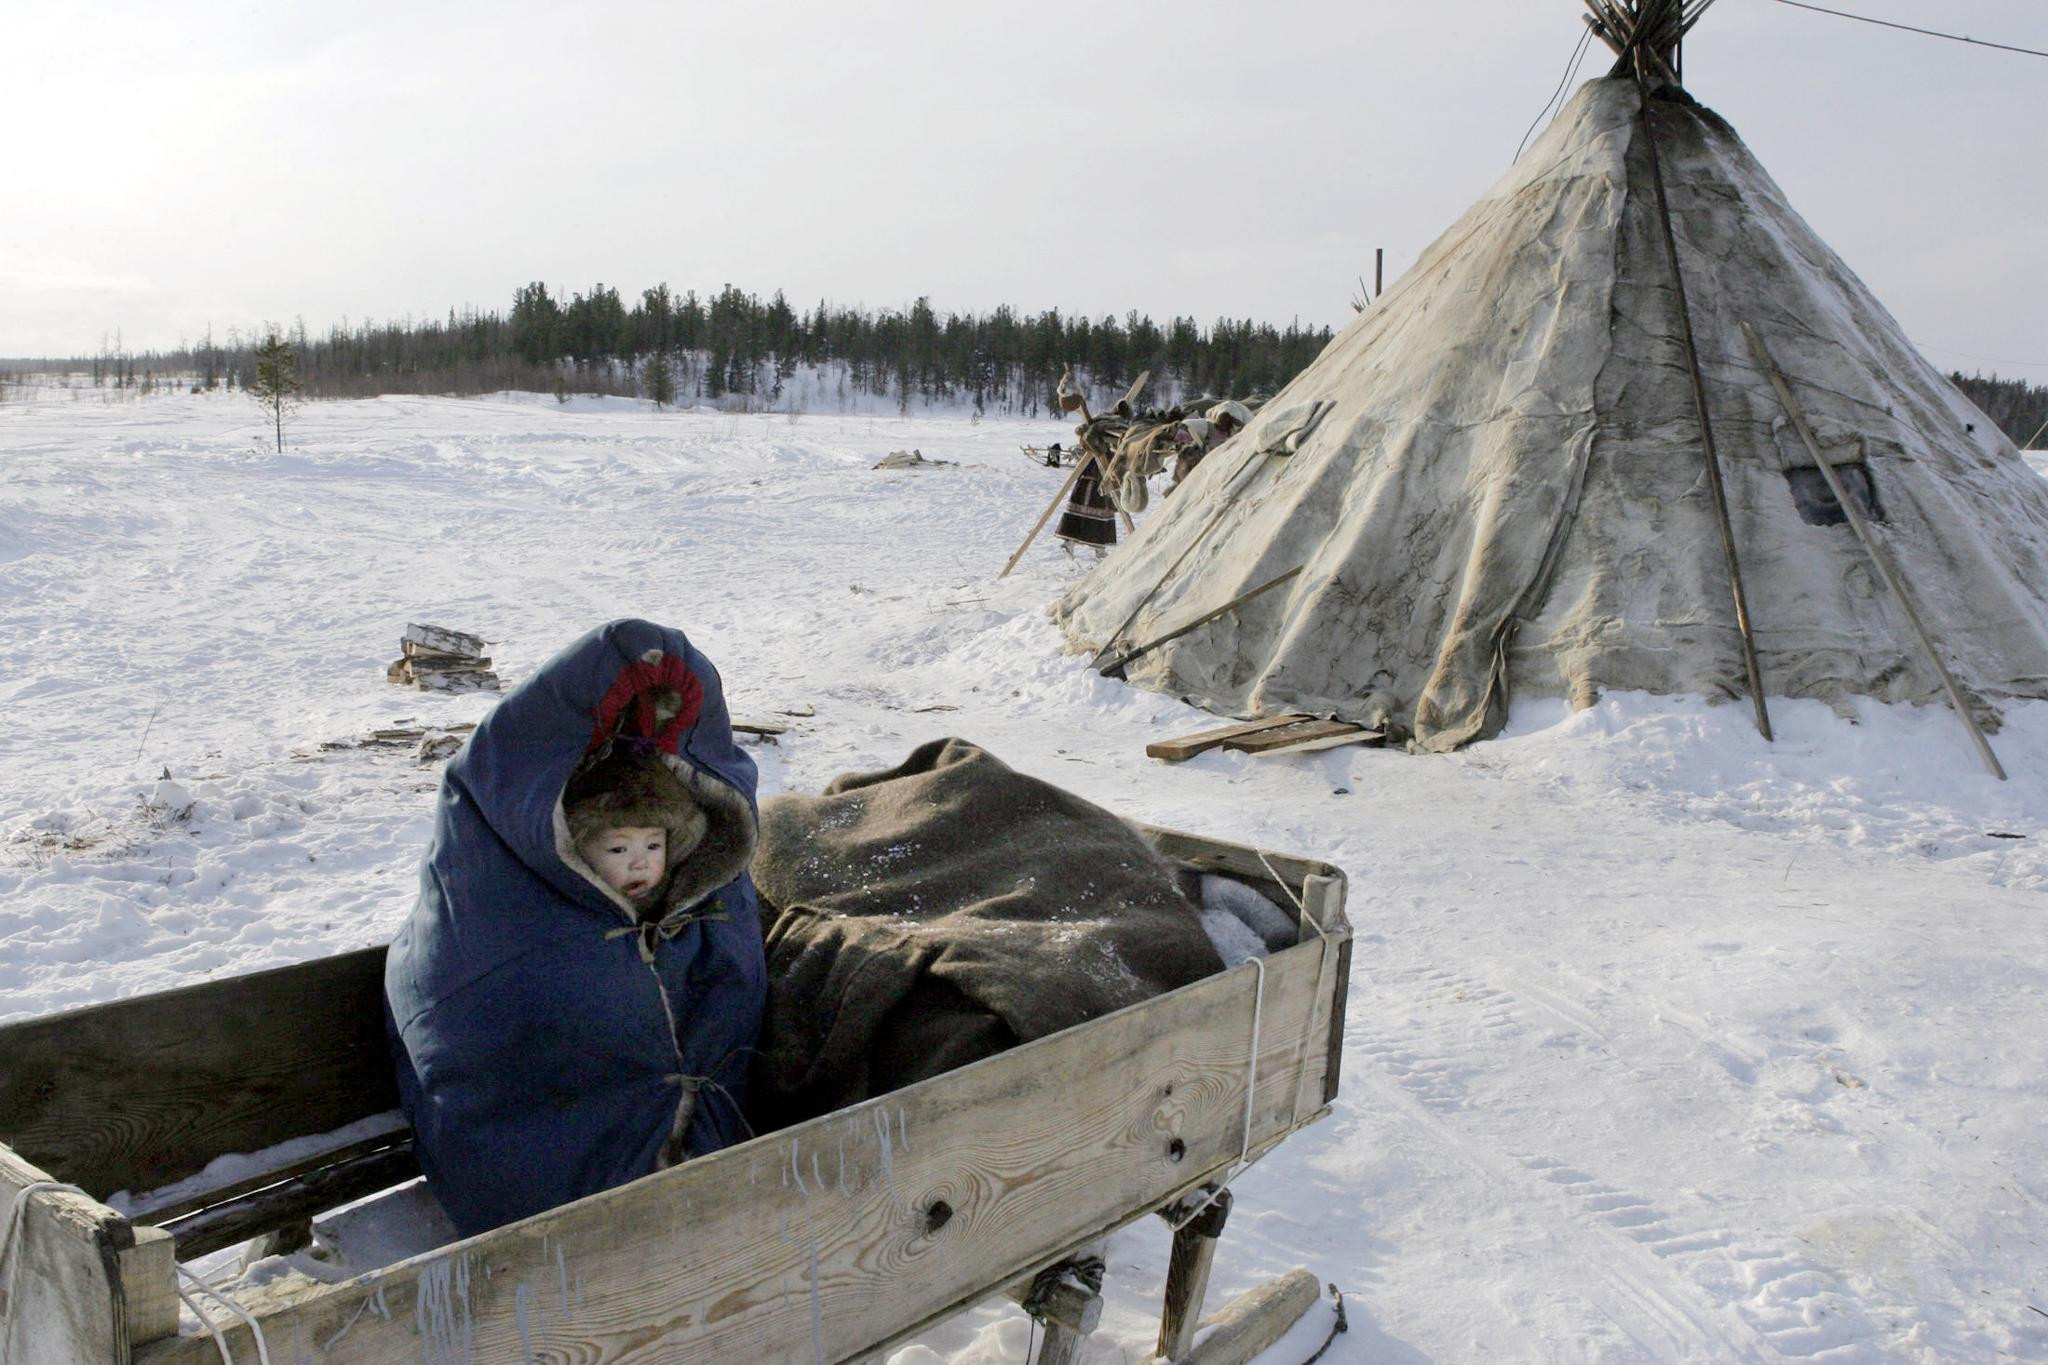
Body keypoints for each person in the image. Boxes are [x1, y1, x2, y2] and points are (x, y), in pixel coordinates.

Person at [384, 619, 765, 1236]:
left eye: (654, 844)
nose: (640, 863)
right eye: (618, 849)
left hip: (712, 1188)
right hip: (554, 1223)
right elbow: (482, 1024)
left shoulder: (696, 891)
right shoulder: (496, 892)